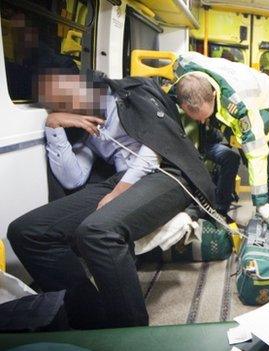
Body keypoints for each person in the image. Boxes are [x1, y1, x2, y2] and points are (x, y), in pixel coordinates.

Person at [7, 69, 216, 329]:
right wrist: (55, 125)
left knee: (96, 232)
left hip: (166, 172)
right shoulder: (85, 125)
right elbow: (73, 178)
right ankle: (91, 320)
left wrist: (116, 195)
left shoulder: (133, 96)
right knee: (27, 232)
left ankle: (130, 333)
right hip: (120, 179)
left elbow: (153, 153)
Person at [172, 52, 269, 221]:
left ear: (214, 96)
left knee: (268, 169)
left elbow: (256, 152)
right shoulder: (184, 68)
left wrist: (260, 202)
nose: (203, 121)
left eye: (205, 116)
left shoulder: (240, 108)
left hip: (268, 112)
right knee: (245, 159)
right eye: (198, 118)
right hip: (243, 104)